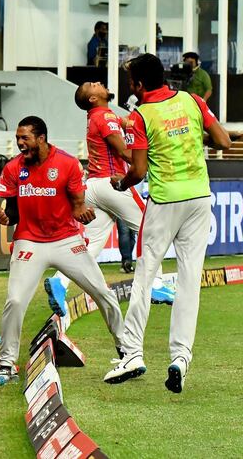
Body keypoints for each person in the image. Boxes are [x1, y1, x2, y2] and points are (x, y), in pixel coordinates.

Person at [103, 53, 231, 393]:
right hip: (200, 198)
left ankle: (132, 353)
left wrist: (121, 184)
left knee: (145, 275)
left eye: (131, 81)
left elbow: (139, 170)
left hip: (165, 202)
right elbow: (223, 141)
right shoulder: (191, 101)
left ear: (139, 85)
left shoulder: (140, 116)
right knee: (189, 280)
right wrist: (189, 139)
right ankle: (180, 358)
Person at [0, 115, 125, 380]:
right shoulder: (13, 168)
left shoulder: (67, 163)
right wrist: (6, 218)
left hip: (66, 240)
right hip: (29, 240)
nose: (19, 143)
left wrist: (82, 214)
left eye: (25, 138)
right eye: (17, 138)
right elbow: (12, 213)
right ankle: (6, 362)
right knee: (15, 300)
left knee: (102, 292)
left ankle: (127, 349)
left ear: (41, 138)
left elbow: (77, 205)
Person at [43, 81, 166, 317]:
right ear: (92, 98)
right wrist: (152, 157)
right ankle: (157, 283)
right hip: (112, 184)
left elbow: (130, 123)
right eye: (93, 85)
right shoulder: (105, 117)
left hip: (93, 186)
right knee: (150, 226)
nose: (99, 83)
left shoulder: (97, 116)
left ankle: (60, 281)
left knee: (92, 244)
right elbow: (124, 152)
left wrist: (143, 116)